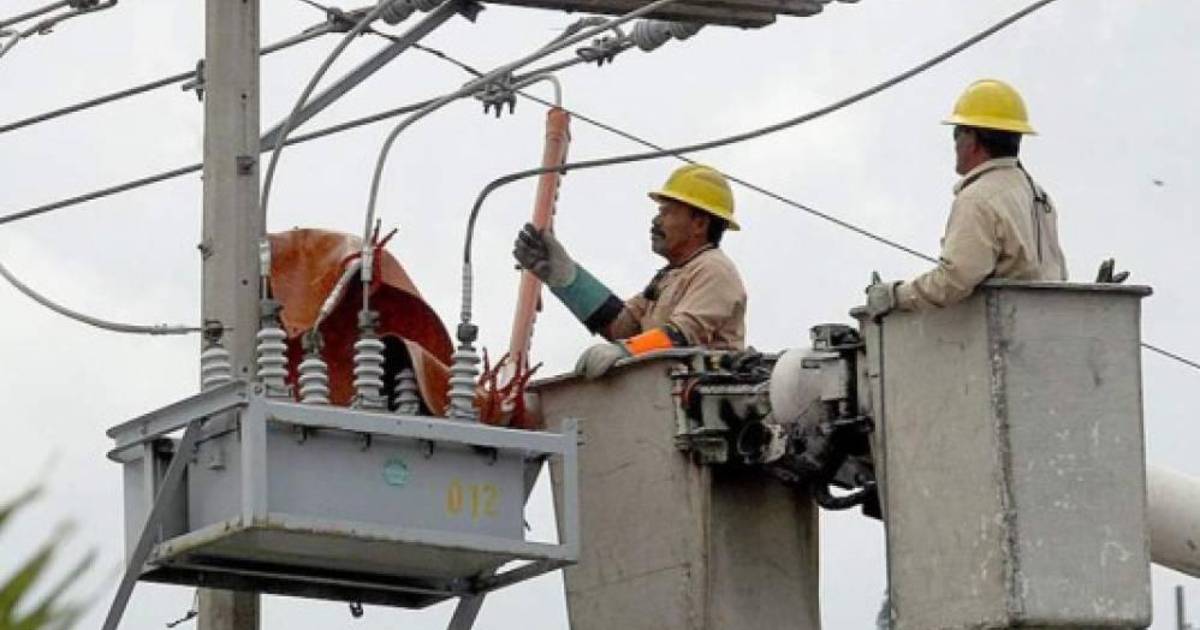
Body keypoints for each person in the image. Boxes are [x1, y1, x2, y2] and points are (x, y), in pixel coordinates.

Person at [513, 164, 747, 379]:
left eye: (667, 212)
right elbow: (622, 325)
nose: (656, 221)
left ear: (699, 224)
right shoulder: (671, 275)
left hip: (702, 403)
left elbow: (682, 336)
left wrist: (626, 351)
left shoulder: (715, 271)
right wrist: (566, 278)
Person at [867, 79, 1068, 317]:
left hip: (1002, 329)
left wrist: (893, 296)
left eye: (957, 133)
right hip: (1045, 325)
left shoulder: (978, 199)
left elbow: (954, 281)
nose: (954, 144)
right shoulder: (1038, 196)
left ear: (971, 140)